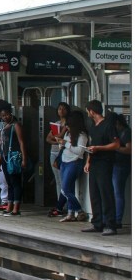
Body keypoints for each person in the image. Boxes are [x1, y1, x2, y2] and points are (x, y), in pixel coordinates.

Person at [82, 100, 120, 235]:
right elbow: (92, 144)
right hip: (95, 162)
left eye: (88, 111)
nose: (88, 113)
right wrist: (88, 161)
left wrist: (99, 148)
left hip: (105, 162)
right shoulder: (93, 126)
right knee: (94, 193)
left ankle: (110, 224)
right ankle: (97, 222)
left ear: (92, 111)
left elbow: (116, 144)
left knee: (106, 193)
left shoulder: (108, 125)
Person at [55, 110, 89, 223]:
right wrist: (61, 145)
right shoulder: (68, 133)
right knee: (69, 189)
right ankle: (70, 213)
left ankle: (79, 210)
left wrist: (66, 144)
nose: (67, 128)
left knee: (65, 189)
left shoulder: (82, 136)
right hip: (64, 161)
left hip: (74, 163)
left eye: (69, 125)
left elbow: (80, 151)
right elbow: (65, 146)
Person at [0, 102, 27, 217]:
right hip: (5, 157)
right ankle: (9, 206)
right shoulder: (4, 126)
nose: (5, 117)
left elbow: (21, 142)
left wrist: (24, 158)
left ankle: (16, 208)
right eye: (3, 116)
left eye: (7, 115)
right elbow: (2, 145)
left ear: (10, 113)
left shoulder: (16, 125)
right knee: (9, 182)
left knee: (16, 182)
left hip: (14, 157)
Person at [45, 102, 71, 217]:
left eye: (64, 109)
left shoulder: (69, 124)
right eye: (59, 109)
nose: (61, 111)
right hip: (54, 151)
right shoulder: (56, 123)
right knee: (58, 180)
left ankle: (64, 206)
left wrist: (58, 138)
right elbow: (48, 139)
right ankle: (59, 204)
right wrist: (58, 141)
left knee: (63, 179)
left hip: (64, 153)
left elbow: (59, 135)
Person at [112, 113, 131, 229]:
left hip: (121, 165)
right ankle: (114, 218)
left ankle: (118, 219)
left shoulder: (126, 133)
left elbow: (130, 149)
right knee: (115, 193)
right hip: (115, 164)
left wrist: (116, 147)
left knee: (118, 193)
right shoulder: (119, 133)